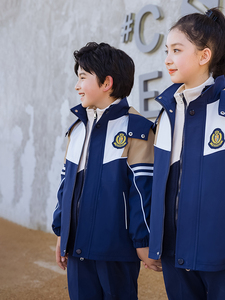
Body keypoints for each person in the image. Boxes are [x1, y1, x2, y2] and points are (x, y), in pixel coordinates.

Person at [147, 8, 225, 300]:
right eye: (167, 50)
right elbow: (157, 183)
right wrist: (155, 242)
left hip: (220, 255)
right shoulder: (165, 113)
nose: (168, 59)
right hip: (173, 252)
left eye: (177, 50)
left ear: (204, 56)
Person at [52, 42, 161, 300]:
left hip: (116, 250)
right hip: (77, 248)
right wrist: (62, 233)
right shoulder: (77, 130)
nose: (77, 86)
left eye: (82, 77)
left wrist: (142, 242)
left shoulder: (137, 129)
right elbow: (65, 186)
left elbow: (142, 192)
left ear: (106, 83)